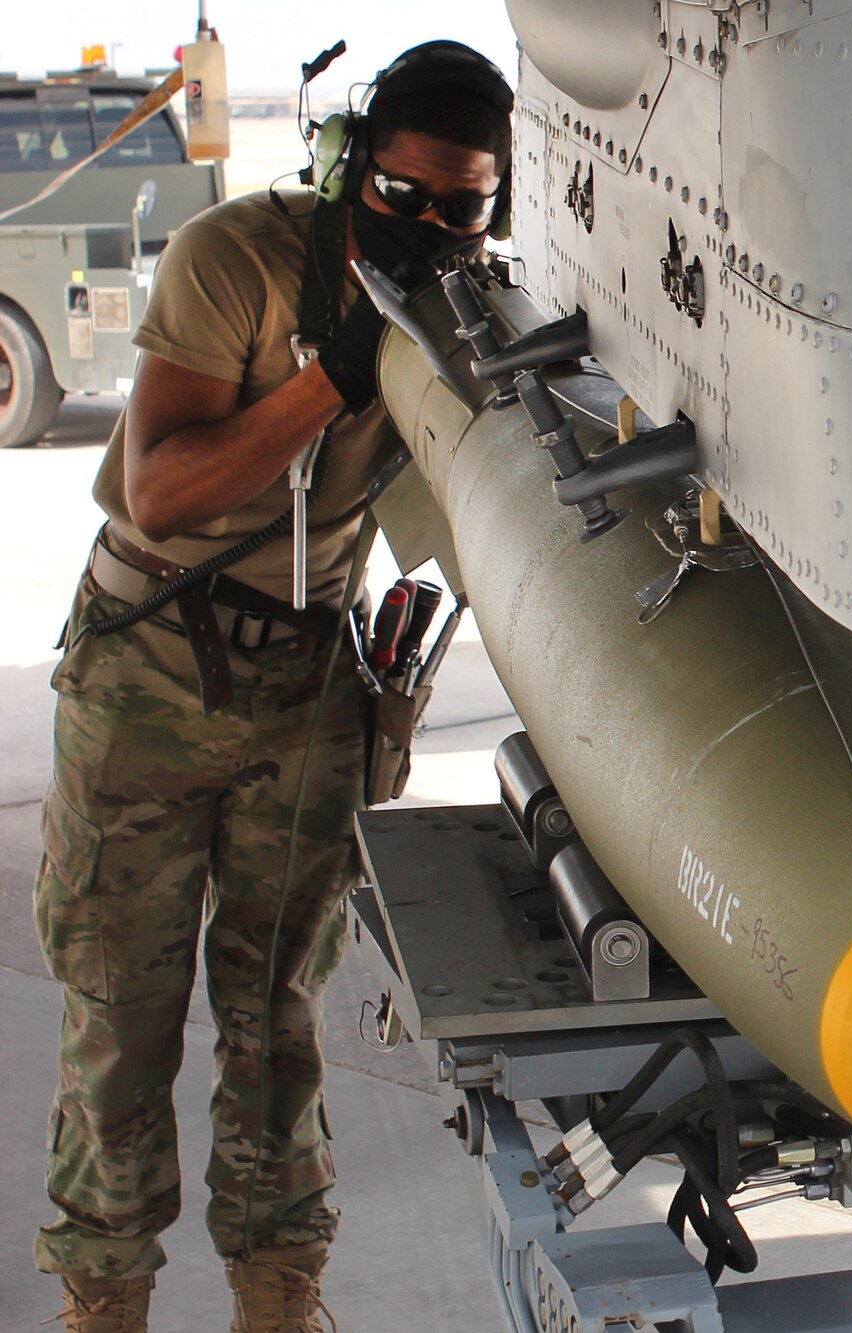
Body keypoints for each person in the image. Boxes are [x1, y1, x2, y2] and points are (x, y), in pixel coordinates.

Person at [32, 42, 512, 1333]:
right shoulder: (235, 260)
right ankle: (105, 1299)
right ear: (356, 169)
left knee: (278, 1015)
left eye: (460, 207)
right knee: (123, 1014)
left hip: (306, 682)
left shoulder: (463, 301)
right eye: (401, 196)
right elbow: (161, 487)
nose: (425, 227)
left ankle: (279, 1295)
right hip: (153, 666)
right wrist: (331, 376)